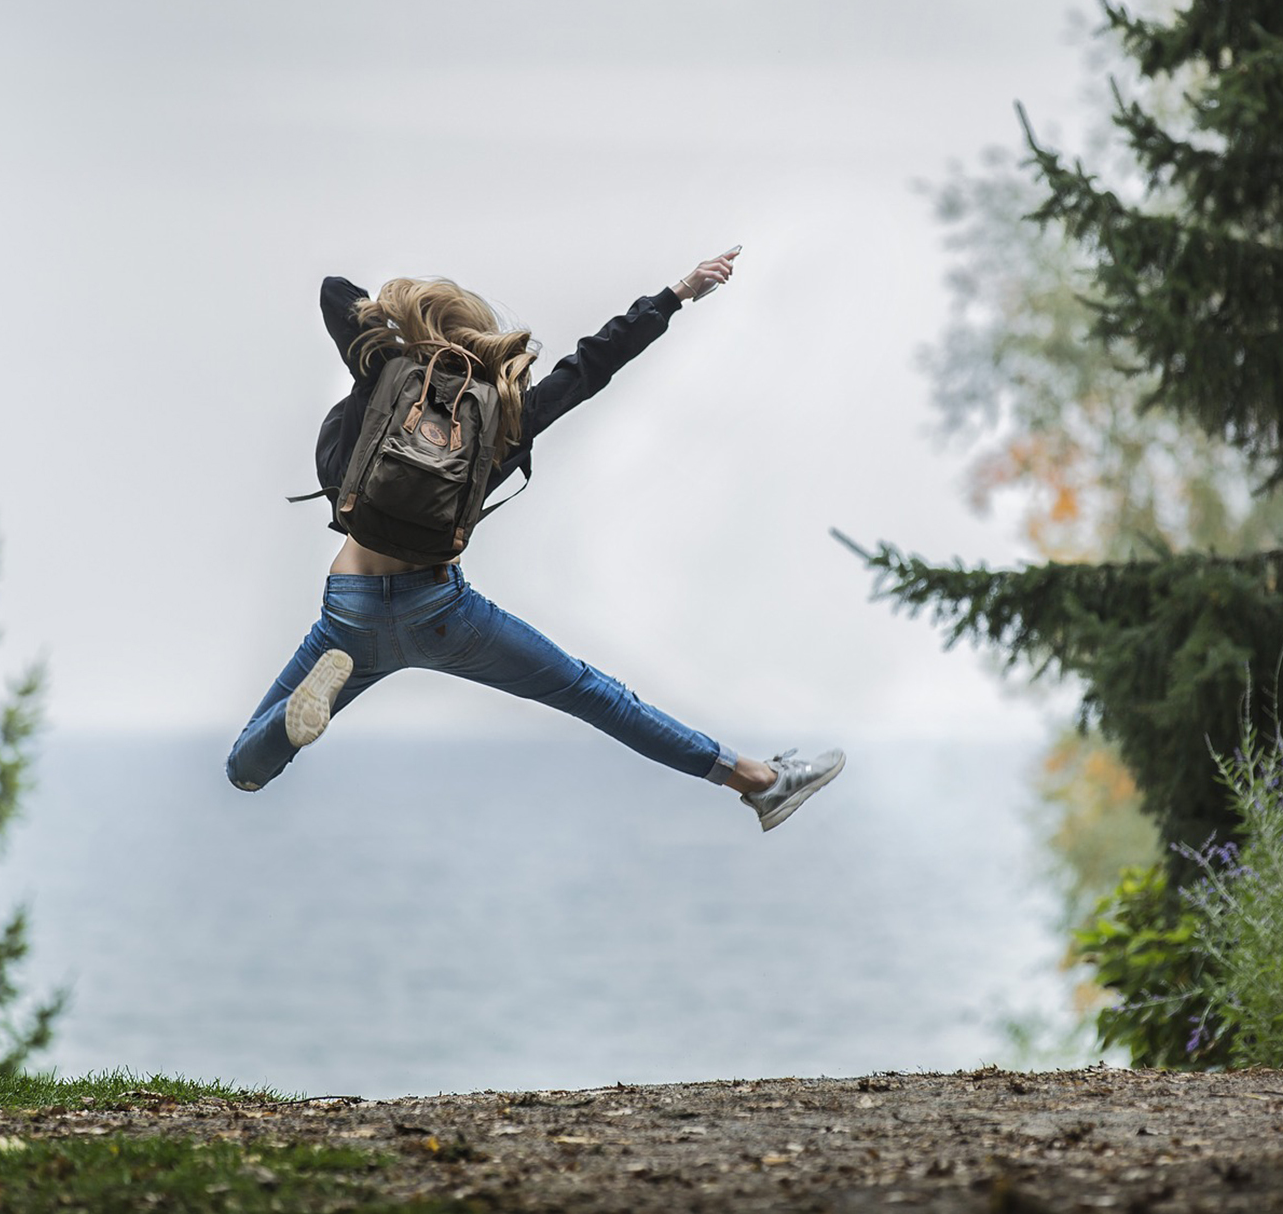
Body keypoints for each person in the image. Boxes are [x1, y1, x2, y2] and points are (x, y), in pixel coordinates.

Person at [224, 247, 845, 831]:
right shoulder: (505, 412)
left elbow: (337, 292)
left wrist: (404, 325)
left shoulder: (384, 374)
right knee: (595, 696)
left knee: (244, 769)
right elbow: (591, 366)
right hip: (440, 611)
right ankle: (758, 781)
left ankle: (291, 723)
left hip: (350, 609)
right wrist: (676, 293)